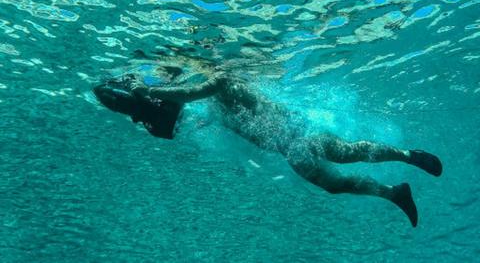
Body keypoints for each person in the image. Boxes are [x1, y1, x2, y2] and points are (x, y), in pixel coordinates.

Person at [95, 68, 442, 227]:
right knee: (334, 185)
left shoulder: (221, 81)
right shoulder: (211, 103)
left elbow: (186, 94)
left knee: (347, 152)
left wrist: (147, 90)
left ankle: (408, 155)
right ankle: (394, 193)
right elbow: (192, 103)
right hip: (287, 149)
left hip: (298, 133)